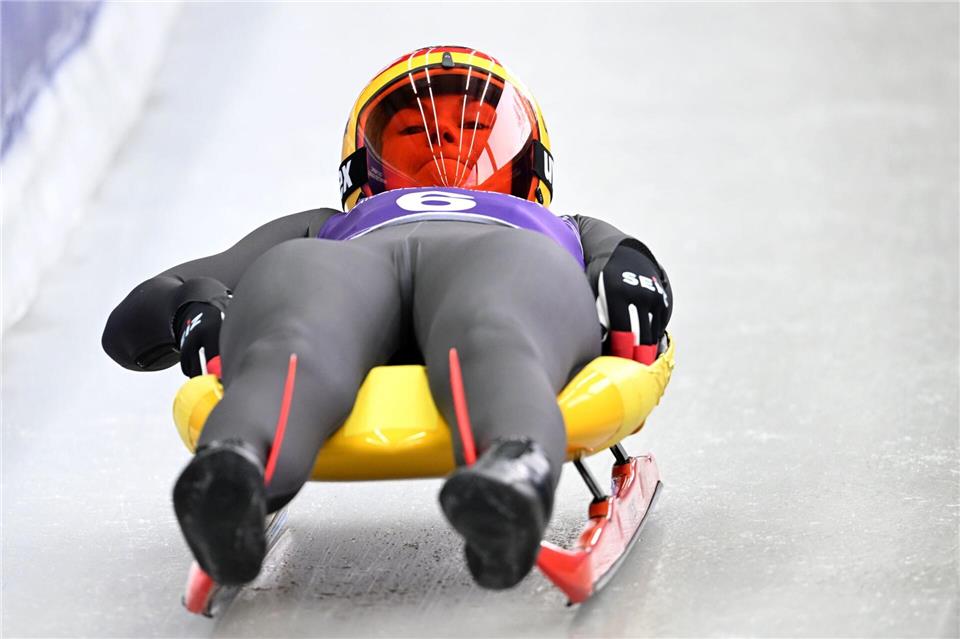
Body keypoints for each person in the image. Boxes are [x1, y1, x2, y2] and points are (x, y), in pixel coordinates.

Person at [102, 46, 673, 591]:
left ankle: (509, 470)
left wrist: (626, 272)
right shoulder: (322, 227)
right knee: (297, 330)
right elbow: (139, 316)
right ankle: (232, 473)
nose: (443, 137)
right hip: (349, 263)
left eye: (473, 125)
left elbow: (630, 263)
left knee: (494, 327)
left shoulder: (566, 229)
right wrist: (193, 305)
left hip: (505, 255)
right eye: (410, 130)